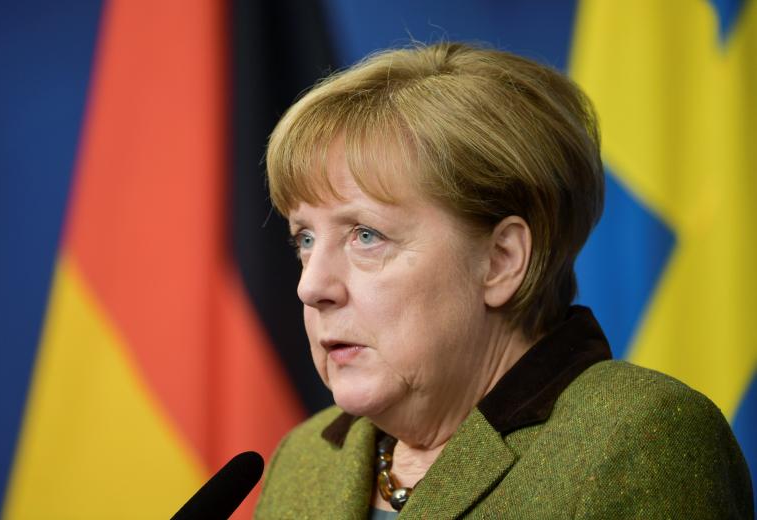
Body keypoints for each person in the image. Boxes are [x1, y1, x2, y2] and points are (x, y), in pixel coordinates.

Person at [254, 42, 753, 518]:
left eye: (366, 235)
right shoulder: (305, 461)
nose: (311, 287)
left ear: (501, 259)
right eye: (305, 240)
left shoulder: (638, 442)